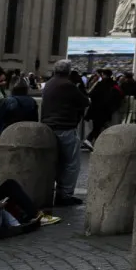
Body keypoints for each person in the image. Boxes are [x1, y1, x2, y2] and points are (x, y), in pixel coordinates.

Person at [41, 60, 91, 207]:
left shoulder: (49, 83)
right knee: (71, 163)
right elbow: (85, 102)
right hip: (65, 127)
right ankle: (65, 195)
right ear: (69, 71)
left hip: (48, 126)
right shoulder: (68, 85)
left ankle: (53, 191)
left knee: (56, 162)